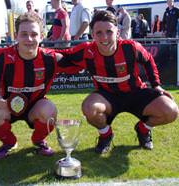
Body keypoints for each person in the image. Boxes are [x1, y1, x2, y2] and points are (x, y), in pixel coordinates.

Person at [57, 10, 179, 154]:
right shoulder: (86, 50)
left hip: (135, 93)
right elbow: (60, 56)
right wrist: (36, 52)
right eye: (99, 33)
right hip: (106, 96)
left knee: (171, 111)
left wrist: (156, 84)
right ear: (92, 34)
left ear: (117, 32)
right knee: (89, 108)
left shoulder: (130, 47)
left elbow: (148, 60)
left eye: (109, 31)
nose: (104, 37)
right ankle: (106, 135)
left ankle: (143, 130)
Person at [0, 12, 64, 160]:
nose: (29, 39)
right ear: (16, 36)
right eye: (24, 34)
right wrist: (6, 104)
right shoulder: (3, 56)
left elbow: (82, 59)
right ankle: (9, 143)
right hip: (7, 106)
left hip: (35, 107)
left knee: (49, 110)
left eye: (34, 34)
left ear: (41, 36)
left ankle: (39, 141)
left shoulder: (50, 58)